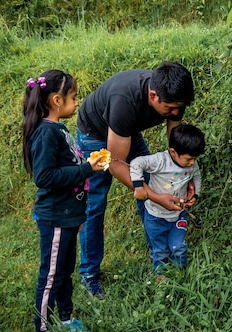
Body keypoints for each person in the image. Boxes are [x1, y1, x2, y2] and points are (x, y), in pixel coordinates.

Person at [76, 61, 195, 298]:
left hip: (125, 132)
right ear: (153, 96)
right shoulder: (125, 101)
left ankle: (159, 252)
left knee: (154, 183)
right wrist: (152, 194)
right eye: (170, 109)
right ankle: (89, 274)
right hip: (95, 134)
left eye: (178, 108)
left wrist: (182, 175)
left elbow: (175, 142)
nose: (175, 113)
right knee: (95, 204)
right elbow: (116, 164)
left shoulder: (174, 97)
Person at [22, 70, 109, 332]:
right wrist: (87, 168)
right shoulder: (46, 133)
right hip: (56, 217)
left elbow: (68, 166)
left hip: (69, 217)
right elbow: (44, 177)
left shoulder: (59, 128)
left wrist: (88, 163)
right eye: (74, 97)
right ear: (57, 100)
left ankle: (66, 319)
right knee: (50, 276)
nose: (77, 103)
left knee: (65, 270)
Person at [129, 124, 205, 272]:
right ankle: (161, 276)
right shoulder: (160, 161)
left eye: (195, 159)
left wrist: (195, 194)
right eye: (189, 159)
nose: (192, 163)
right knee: (160, 249)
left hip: (179, 214)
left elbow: (197, 177)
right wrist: (138, 186)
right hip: (155, 217)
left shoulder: (191, 164)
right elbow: (136, 163)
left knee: (179, 247)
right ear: (173, 152)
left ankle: (179, 273)